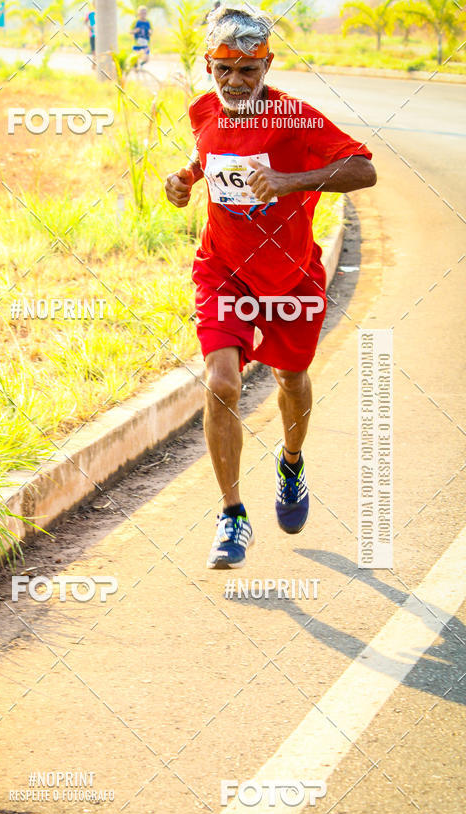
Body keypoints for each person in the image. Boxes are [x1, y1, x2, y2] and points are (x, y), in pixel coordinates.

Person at [164, 4, 376, 570]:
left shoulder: (297, 119)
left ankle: (291, 461)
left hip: (290, 278)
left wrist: (289, 181)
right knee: (222, 383)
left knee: (291, 378)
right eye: (223, 69)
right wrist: (185, 179)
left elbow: (362, 169)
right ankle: (232, 515)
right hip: (223, 269)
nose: (235, 82)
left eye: (248, 70)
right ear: (209, 65)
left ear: (268, 64)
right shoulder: (204, 109)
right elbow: (207, 154)